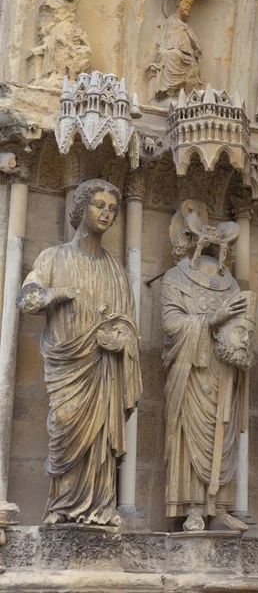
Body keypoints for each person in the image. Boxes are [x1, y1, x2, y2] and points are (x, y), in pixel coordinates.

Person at [17, 179, 142, 526]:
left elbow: (129, 327)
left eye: (113, 209)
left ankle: (100, 508)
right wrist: (58, 294)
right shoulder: (53, 257)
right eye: (99, 205)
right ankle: (61, 508)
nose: (106, 213)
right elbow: (25, 299)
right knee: (64, 429)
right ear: (81, 208)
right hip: (67, 369)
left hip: (103, 372)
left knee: (101, 443)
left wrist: (121, 342)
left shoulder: (117, 272)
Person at [161, 211, 255, 532]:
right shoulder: (175, 278)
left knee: (223, 431)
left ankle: (219, 507)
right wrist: (212, 319)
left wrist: (241, 338)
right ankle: (192, 508)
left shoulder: (230, 286)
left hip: (222, 370)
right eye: (205, 238)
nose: (214, 244)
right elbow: (171, 323)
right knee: (192, 435)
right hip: (191, 370)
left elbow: (240, 327)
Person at [149, 0, 203, 98]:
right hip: (172, 54)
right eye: (186, 4)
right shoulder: (169, 23)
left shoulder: (187, 28)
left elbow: (197, 46)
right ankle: (171, 89)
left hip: (187, 57)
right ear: (178, 4)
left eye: (190, 5)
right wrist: (163, 50)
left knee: (190, 62)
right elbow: (162, 41)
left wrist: (197, 53)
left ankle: (186, 93)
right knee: (169, 55)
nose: (188, 7)